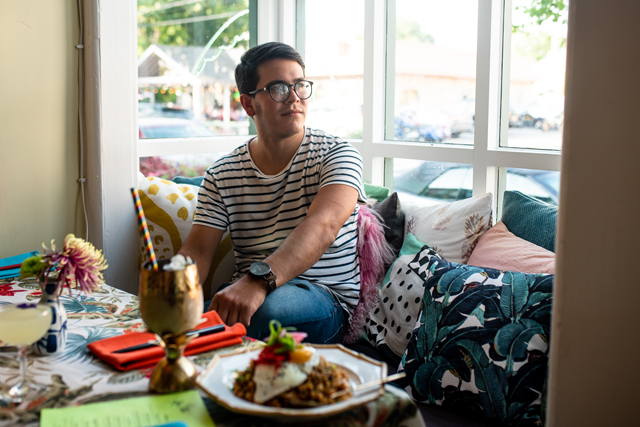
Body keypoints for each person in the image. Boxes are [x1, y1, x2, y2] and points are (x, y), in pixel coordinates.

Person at [178, 42, 366, 343]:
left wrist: (257, 281)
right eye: (278, 88)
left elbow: (324, 225)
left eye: (300, 85)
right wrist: (172, 289)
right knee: (187, 318)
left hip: (323, 298)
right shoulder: (222, 173)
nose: (294, 97)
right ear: (249, 104)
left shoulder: (338, 154)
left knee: (262, 314)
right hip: (248, 291)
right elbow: (198, 251)